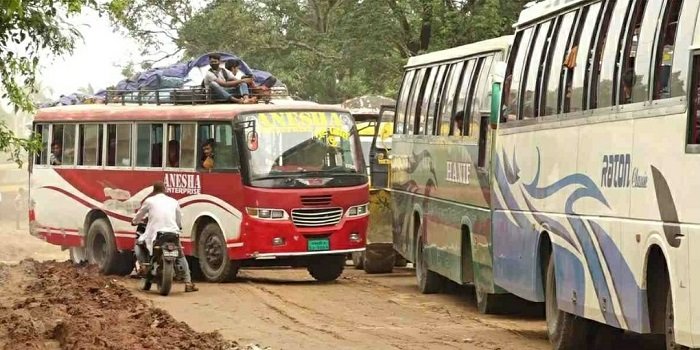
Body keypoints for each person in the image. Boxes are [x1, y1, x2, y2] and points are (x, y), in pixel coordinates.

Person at [132, 182, 198, 292]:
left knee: (138, 245)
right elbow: (178, 219)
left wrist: (134, 221)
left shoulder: (149, 201)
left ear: (154, 191)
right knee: (180, 255)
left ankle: (144, 266)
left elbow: (140, 214)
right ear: (164, 190)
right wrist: (179, 227)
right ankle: (188, 283)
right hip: (172, 233)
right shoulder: (174, 201)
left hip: (155, 235)